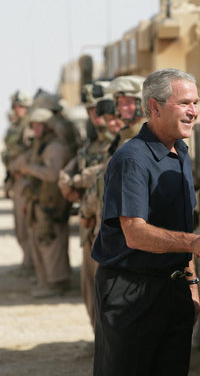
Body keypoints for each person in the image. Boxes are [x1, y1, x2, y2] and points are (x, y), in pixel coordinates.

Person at [91, 68, 200, 376]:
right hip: (131, 294)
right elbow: (135, 234)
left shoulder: (180, 153)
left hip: (173, 291)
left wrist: (192, 286)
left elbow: (181, 225)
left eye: (195, 103)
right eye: (184, 103)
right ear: (154, 107)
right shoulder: (132, 159)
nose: (194, 112)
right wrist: (196, 244)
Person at [58, 81, 113, 327]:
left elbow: (106, 170)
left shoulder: (120, 140)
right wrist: (66, 180)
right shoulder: (92, 142)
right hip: (89, 224)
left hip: (108, 224)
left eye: (99, 108)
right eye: (91, 109)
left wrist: (79, 178)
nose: (95, 115)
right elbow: (75, 166)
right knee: (90, 289)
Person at [9, 107, 74, 297]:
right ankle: (46, 280)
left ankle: (56, 282)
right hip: (40, 200)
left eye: (40, 126)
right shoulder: (40, 146)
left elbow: (52, 174)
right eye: (34, 126)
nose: (36, 130)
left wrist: (28, 168)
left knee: (51, 242)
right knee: (42, 241)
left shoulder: (55, 147)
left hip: (52, 203)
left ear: (48, 127)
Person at [3, 91, 33, 274]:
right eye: (16, 106)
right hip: (16, 180)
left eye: (21, 106)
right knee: (19, 225)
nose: (18, 109)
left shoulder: (29, 128)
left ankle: (30, 264)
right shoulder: (15, 127)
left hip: (25, 181)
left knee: (26, 224)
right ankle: (27, 262)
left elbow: (30, 154)